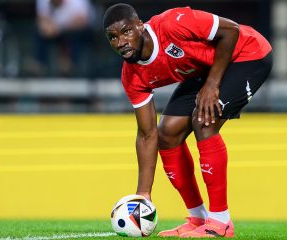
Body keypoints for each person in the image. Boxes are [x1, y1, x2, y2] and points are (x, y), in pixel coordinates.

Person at [103, 3, 272, 238]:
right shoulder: (131, 76)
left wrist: (212, 85)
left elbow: (231, 31)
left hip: (246, 55)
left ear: (140, 26)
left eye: (126, 32)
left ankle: (220, 222)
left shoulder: (173, 23)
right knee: (167, 134)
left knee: (204, 120)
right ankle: (198, 217)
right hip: (204, 70)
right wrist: (143, 195)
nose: (120, 42)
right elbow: (147, 134)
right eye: (112, 37)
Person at [34, 0, 94, 77]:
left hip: (77, 30)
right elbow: (41, 20)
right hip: (55, 30)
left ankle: (71, 65)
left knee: (76, 35)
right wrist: (48, 29)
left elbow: (82, 21)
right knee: (40, 34)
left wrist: (59, 28)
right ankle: (40, 65)